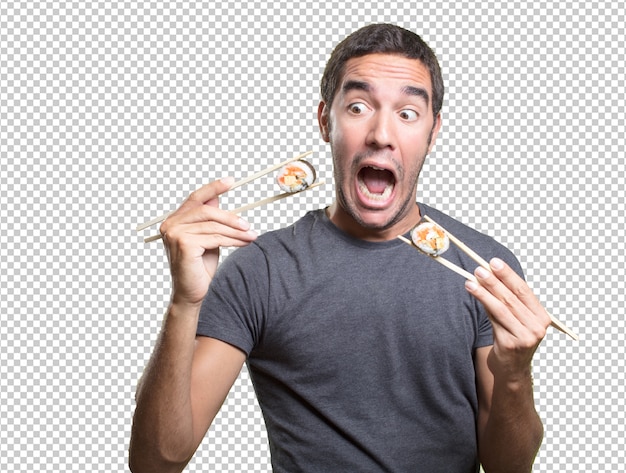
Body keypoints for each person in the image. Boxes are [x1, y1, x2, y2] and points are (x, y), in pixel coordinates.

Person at [129, 24, 550, 473]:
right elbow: (156, 462)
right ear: (326, 121)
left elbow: (510, 468)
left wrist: (513, 373)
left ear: (433, 132)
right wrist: (184, 301)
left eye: (408, 113)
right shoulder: (261, 271)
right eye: (358, 106)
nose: (381, 134)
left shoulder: (484, 271)